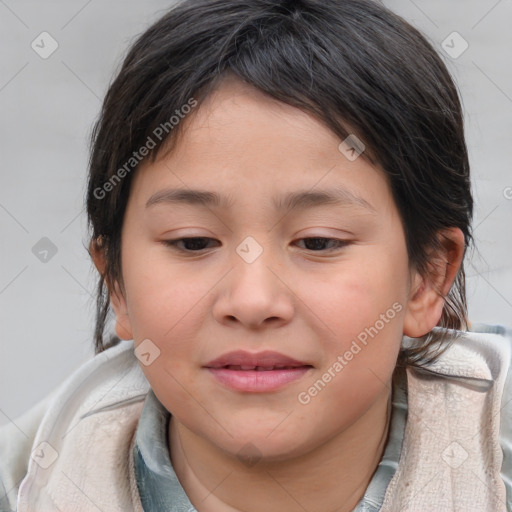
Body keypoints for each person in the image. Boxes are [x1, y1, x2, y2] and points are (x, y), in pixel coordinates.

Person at [1, 0, 511, 510]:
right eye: (193, 242)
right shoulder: (30, 485)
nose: (252, 301)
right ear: (117, 282)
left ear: (427, 276)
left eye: (318, 242)